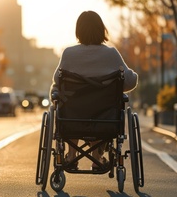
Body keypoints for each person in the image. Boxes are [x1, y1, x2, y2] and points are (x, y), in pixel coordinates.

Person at [49, 10, 138, 170]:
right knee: (100, 107)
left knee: (69, 102)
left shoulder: (69, 54)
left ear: (78, 31)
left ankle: (71, 155)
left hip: (72, 117)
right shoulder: (111, 54)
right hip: (104, 118)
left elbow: (57, 79)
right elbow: (130, 81)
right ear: (101, 29)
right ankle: (97, 157)